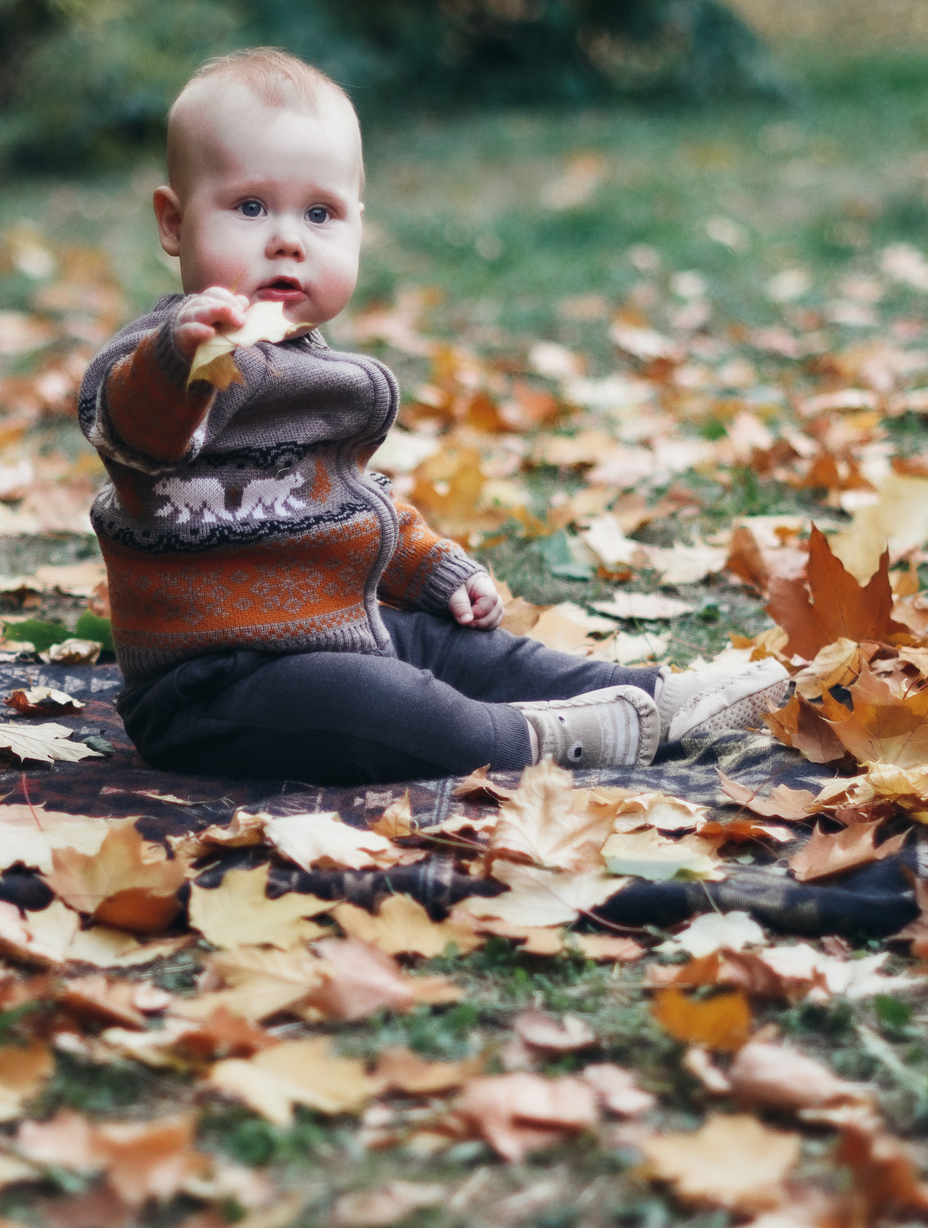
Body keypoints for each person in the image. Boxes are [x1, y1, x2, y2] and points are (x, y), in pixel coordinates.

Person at [76, 47, 790, 781]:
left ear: (357, 225)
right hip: (212, 685)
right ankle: (536, 740)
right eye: (251, 206)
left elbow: (345, 499)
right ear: (174, 222)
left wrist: (429, 570)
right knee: (382, 700)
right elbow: (138, 432)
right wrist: (180, 357)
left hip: (334, 630)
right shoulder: (164, 360)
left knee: (464, 649)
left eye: (319, 213)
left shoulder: (314, 368)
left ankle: (661, 699)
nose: (287, 237)